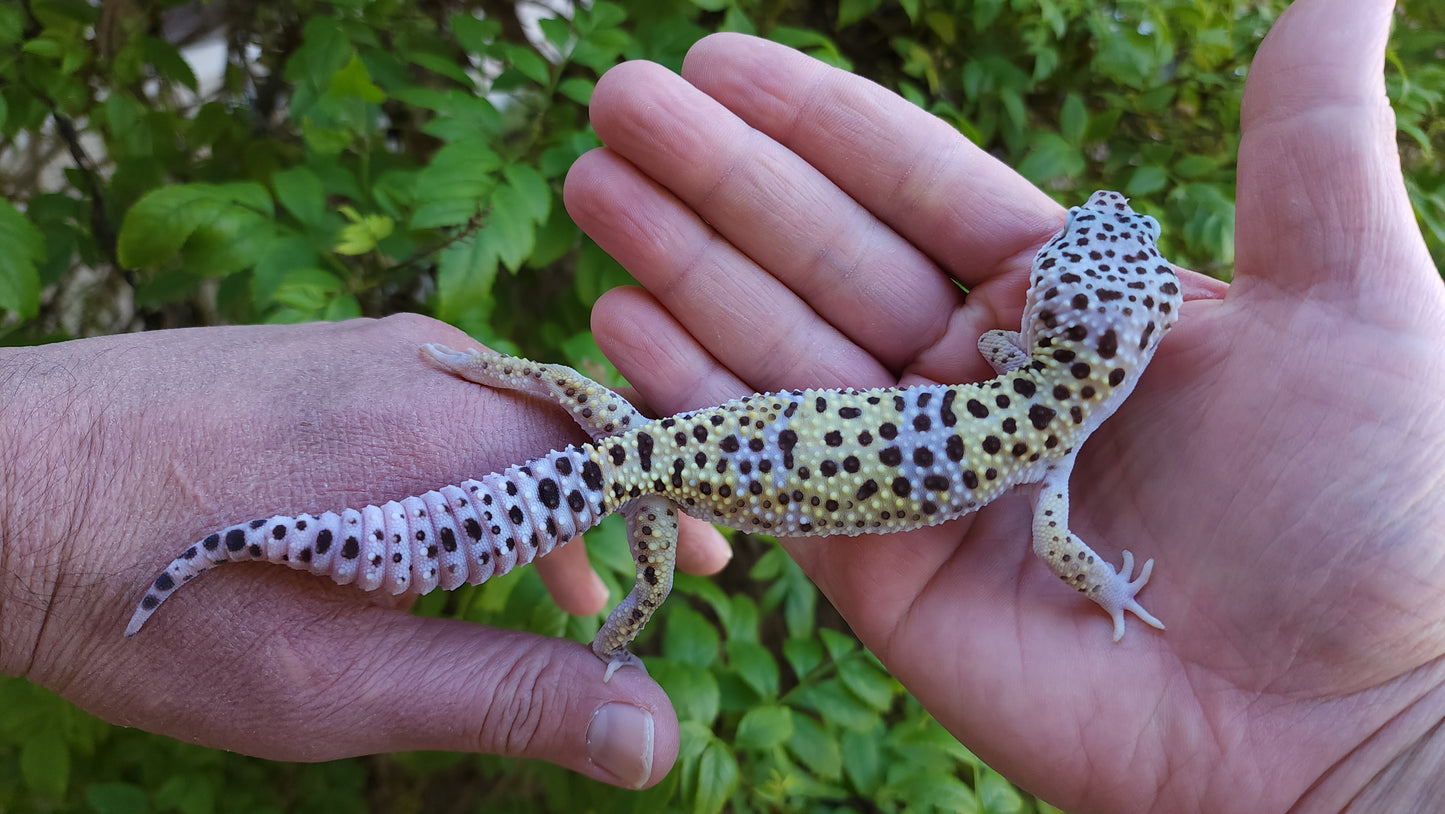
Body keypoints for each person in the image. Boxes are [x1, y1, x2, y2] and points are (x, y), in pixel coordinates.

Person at [0, 0, 1435, 808]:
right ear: (1116, 351)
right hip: (686, 467)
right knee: (635, 558)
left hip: (673, 454)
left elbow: (1017, 384)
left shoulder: (1023, 387)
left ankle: (294, 514)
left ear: (1093, 330)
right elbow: (1061, 546)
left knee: (606, 466)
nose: (1109, 224)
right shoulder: (1043, 442)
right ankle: (338, 548)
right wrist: (1120, 595)